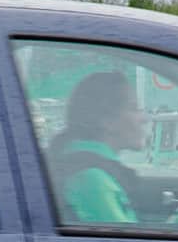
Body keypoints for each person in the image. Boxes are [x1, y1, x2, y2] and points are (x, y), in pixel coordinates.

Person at [49, 71, 152, 224]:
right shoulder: (92, 179)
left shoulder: (89, 168)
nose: (144, 119)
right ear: (107, 121)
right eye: (134, 108)